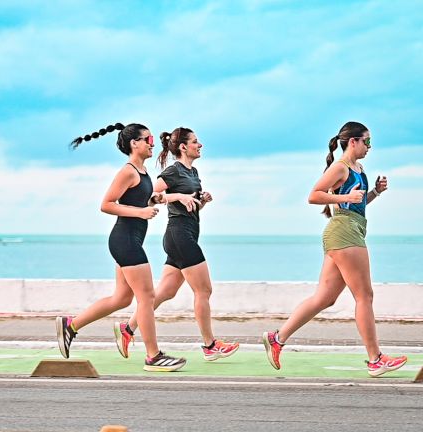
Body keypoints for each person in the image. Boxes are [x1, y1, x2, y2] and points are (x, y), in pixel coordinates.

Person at [262, 121, 408, 377]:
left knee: (325, 298)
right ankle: (375, 359)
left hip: (349, 229)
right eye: (367, 141)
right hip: (344, 232)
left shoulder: (358, 168)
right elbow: (314, 195)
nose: (370, 147)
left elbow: (357, 203)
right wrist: (343, 198)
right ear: (353, 141)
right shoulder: (339, 167)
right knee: (365, 296)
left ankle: (277, 338)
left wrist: (374, 192)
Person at [56, 122, 186, 372]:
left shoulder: (143, 172)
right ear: (134, 143)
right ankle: (153, 356)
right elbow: (106, 204)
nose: (153, 144)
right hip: (124, 239)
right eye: (148, 139)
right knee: (146, 297)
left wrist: (159, 199)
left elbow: (139, 198)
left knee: (122, 298)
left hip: (129, 240)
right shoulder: (128, 171)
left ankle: (71, 325)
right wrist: (140, 212)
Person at [114, 127, 239, 361]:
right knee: (204, 290)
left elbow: (192, 205)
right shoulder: (172, 171)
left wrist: (202, 201)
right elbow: (150, 194)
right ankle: (210, 346)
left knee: (165, 292)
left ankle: (128, 329)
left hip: (187, 232)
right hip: (180, 235)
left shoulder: (194, 172)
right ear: (183, 147)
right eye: (195, 142)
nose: (200, 145)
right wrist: (177, 196)